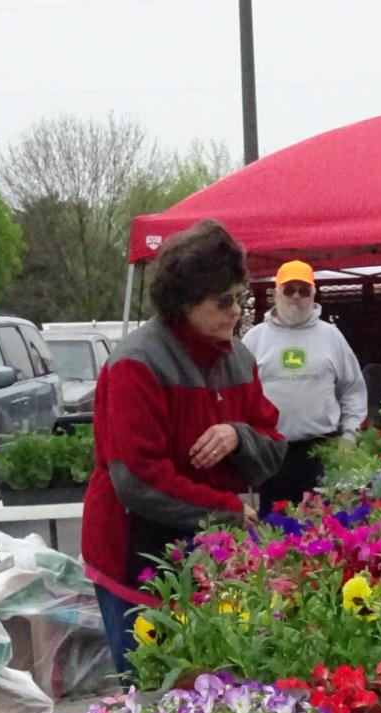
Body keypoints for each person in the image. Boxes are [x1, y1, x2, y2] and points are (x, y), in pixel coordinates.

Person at [82, 220, 287, 673]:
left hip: (205, 553)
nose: (237, 311)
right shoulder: (136, 364)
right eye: (225, 301)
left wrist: (239, 434)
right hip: (133, 551)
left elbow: (274, 445)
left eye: (240, 297)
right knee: (152, 688)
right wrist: (226, 509)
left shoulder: (239, 358)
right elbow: (136, 479)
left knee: (210, 682)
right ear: (184, 304)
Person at [243, 260, 367, 511]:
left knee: (324, 527)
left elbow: (352, 390)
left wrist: (349, 435)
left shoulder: (331, 336)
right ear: (276, 292)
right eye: (289, 290)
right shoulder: (255, 339)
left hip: (320, 451)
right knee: (272, 533)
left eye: (304, 290)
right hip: (271, 453)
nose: (296, 297)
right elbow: (239, 396)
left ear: (313, 294)